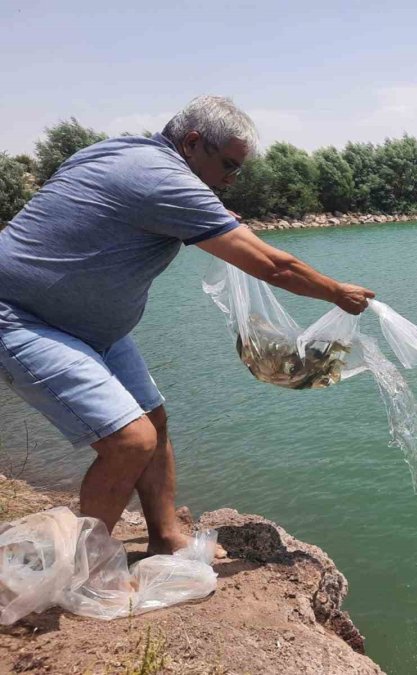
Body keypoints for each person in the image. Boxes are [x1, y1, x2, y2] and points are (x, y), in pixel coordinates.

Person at [0, 96, 374, 554]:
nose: (231, 180)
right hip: (22, 317)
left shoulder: (119, 151)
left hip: (96, 329)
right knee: (130, 441)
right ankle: (86, 566)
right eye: (229, 165)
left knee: (154, 421)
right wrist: (337, 292)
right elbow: (276, 267)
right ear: (193, 143)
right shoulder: (165, 179)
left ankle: (165, 537)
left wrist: (198, 216)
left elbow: (112, 211)